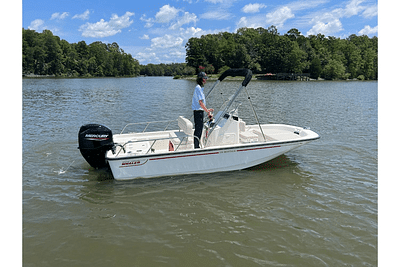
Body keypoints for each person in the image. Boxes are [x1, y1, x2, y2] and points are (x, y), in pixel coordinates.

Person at [192, 72, 214, 149]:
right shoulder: (198, 88)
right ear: (201, 79)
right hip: (198, 113)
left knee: (199, 129)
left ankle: (196, 145)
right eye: (205, 78)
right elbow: (200, 103)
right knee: (198, 130)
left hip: (199, 112)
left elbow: (201, 103)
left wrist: (207, 110)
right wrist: (208, 111)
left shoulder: (200, 88)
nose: (206, 80)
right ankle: (196, 147)